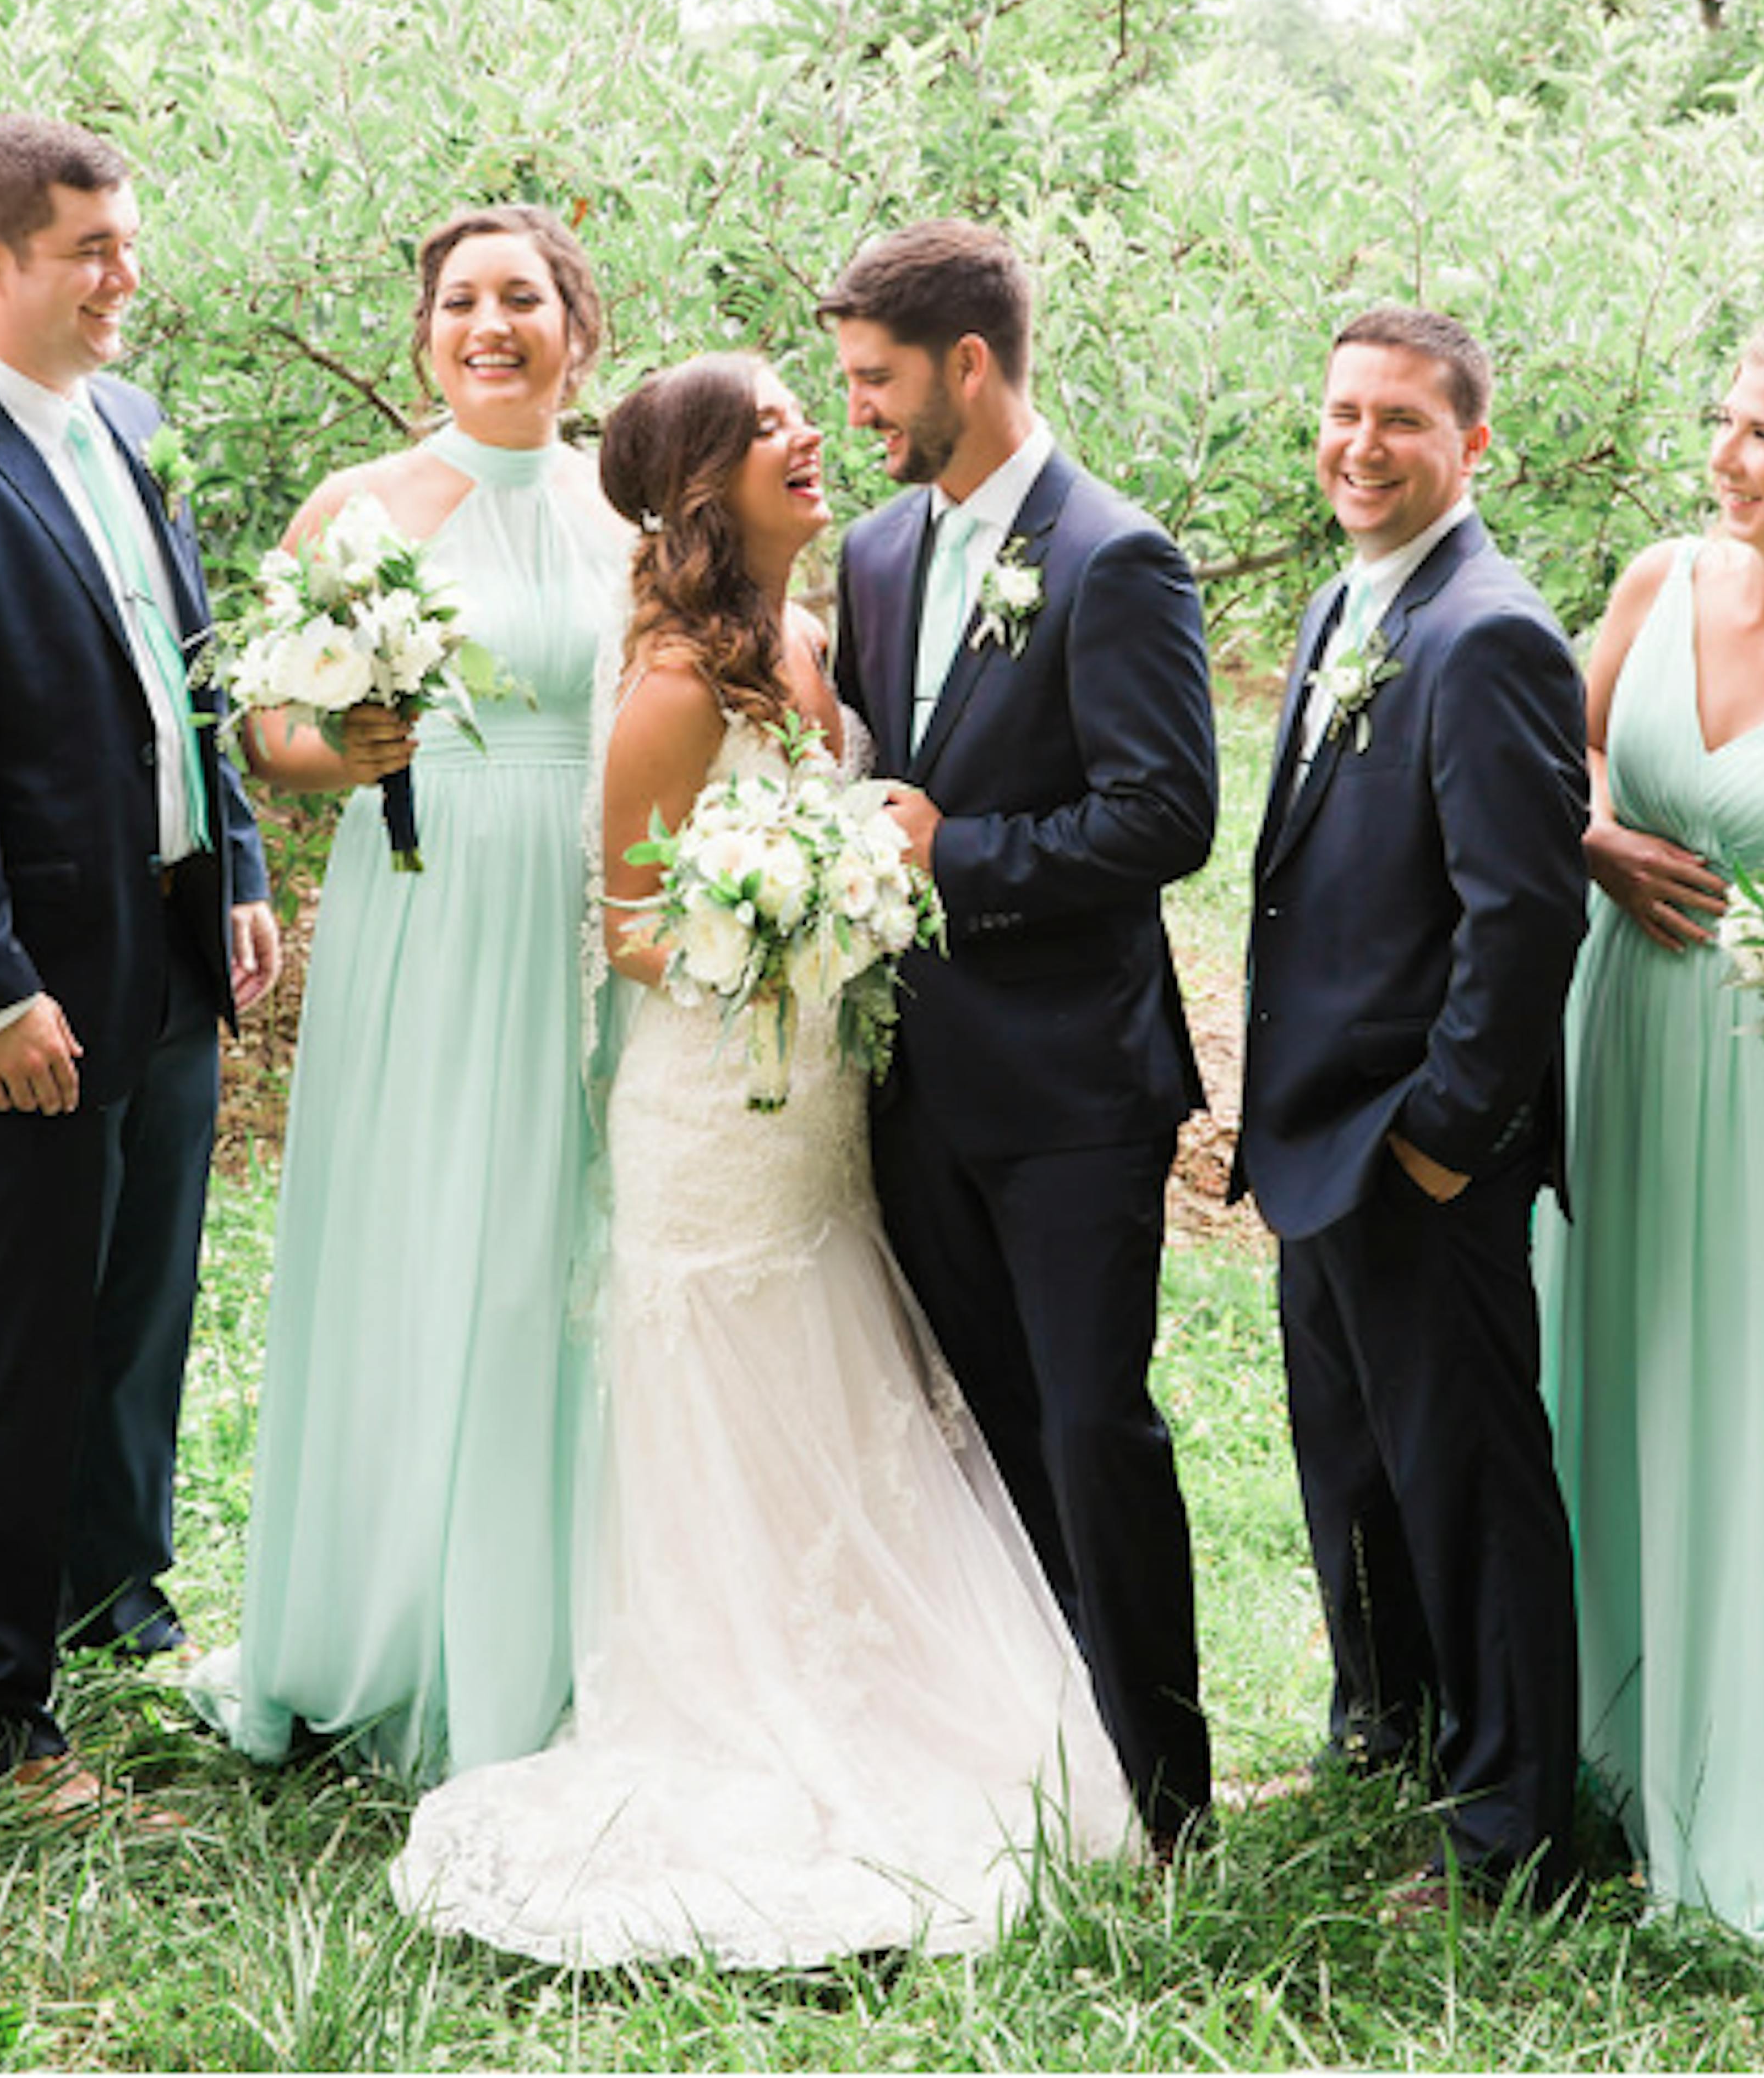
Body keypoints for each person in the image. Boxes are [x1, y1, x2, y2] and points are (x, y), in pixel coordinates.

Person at [392, 353, 1132, 1965]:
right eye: (771, 426)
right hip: (708, 1109)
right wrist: (777, 935)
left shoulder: (810, 632)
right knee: (733, 1376)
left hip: (822, 1110)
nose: (812, 436)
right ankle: (745, 1694)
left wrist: (842, 906)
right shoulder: (671, 683)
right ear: (701, 487)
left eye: (808, 410)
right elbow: (626, 927)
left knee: (838, 1369)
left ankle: (871, 1668)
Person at [187, 203, 631, 1785]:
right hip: (430, 910)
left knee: (567, 1249)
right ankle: (387, 1622)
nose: (488, 324)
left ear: (577, 326)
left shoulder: (628, 507)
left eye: (523, 297)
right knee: (434, 1232)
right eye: (459, 301)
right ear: (428, 333)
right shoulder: (359, 506)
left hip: (596, 907)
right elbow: (262, 734)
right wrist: (342, 744)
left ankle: (566, 1626)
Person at [820, 221, 1217, 1857]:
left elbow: (1167, 814)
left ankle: (1166, 1792)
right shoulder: (873, 554)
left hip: (1070, 1086)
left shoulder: (1117, 557)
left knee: (1090, 1424)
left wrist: (957, 855)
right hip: (913, 1077)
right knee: (976, 1426)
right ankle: (1040, 1759)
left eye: (877, 380)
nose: (857, 411)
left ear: (968, 365)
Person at [1232, 304, 1588, 1908]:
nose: (1360, 446)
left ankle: (1512, 1838)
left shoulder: (1490, 632)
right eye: (1343, 414)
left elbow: (1523, 915)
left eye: (1401, 420)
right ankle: (1386, 1738)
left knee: (1470, 1489)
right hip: (1318, 1135)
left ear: (1472, 444)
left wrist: (1446, 1133)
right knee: (1354, 1464)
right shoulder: (1346, 600)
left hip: (1414, 1145)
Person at [1537, 316, 1764, 1941]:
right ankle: (1608, 1734)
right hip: (1628, 1038)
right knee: (1625, 1360)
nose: (1724, 457)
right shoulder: (1661, 583)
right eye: (1724, 422)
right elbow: (1581, 746)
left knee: (1763, 1395)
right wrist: (1598, 834)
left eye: (1763, 436)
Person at [0, 113, 278, 1818]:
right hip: (36, 969)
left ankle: (120, 1596)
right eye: (88, 250)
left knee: (146, 1296)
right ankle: (9, 1714)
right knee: (27, 1324)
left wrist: (234, 860)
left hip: (169, 934)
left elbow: (196, 666)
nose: (124, 277)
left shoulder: (134, 425)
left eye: (127, 242)